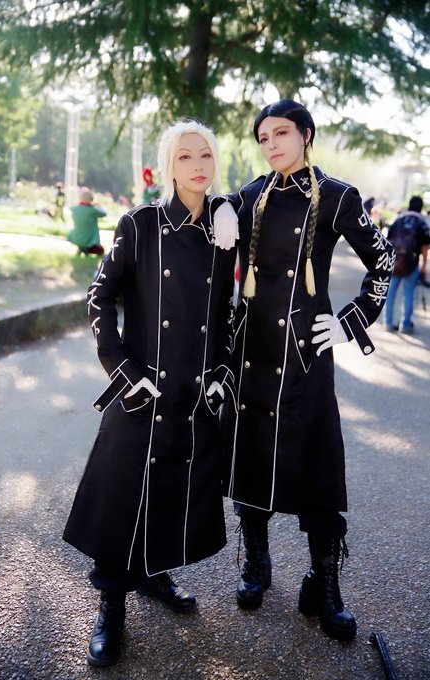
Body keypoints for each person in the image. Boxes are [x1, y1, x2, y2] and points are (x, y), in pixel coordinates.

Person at [63, 120, 238, 667]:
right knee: (122, 499)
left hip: (193, 391)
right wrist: (120, 369)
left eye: (205, 154)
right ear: (168, 166)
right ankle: (111, 607)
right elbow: (99, 296)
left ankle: (154, 574)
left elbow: (229, 312)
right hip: (143, 387)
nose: (198, 165)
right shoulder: (140, 224)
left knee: (171, 489)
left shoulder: (224, 230)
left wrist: (220, 373)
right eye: (185, 156)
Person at [222, 99, 395, 642]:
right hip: (252, 352)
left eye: (281, 133)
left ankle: (324, 582)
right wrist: (218, 212)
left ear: (306, 134)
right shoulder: (248, 195)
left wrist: (352, 321)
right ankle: (257, 562)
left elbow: (384, 259)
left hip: (306, 355)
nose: (271, 144)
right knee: (252, 458)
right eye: (263, 137)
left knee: (317, 466)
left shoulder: (338, 196)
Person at [384, 195, 430, 334]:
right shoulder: (422, 223)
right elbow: (425, 248)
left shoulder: (398, 220)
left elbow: (387, 241)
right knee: (409, 294)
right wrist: (423, 267)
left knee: (390, 293)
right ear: (421, 207)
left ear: (409, 205)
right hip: (411, 265)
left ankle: (388, 323)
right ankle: (405, 325)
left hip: (394, 263)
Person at [67, 187, 106, 255]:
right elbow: (104, 213)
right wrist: (99, 206)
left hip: (76, 237)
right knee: (101, 250)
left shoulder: (75, 209)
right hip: (89, 239)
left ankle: (82, 248)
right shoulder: (92, 210)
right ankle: (86, 249)